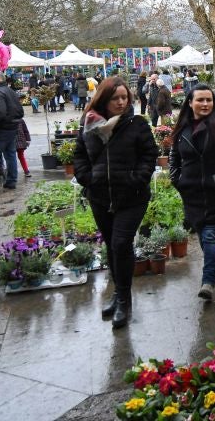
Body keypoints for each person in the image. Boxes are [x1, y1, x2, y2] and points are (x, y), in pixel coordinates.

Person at [73, 77, 157, 329]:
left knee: (121, 244)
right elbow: (79, 154)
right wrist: (87, 178)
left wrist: (136, 178)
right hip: (100, 196)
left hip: (131, 197)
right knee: (111, 246)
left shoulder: (137, 124)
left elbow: (149, 155)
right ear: (104, 100)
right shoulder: (89, 124)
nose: (121, 102)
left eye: (125, 97)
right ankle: (118, 293)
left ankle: (125, 299)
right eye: (115, 98)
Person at [169, 84, 215, 300]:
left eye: (209, 100)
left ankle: (208, 280)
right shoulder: (183, 128)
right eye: (200, 100)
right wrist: (176, 178)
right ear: (190, 103)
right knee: (203, 233)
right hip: (191, 192)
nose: (206, 104)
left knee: (210, 234)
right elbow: (174, 155)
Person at [0, 70, 25, 195]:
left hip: (2, 129)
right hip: (11, 128)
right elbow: (20, 111)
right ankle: (11, 181)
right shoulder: (9, 91)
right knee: (10, 154)